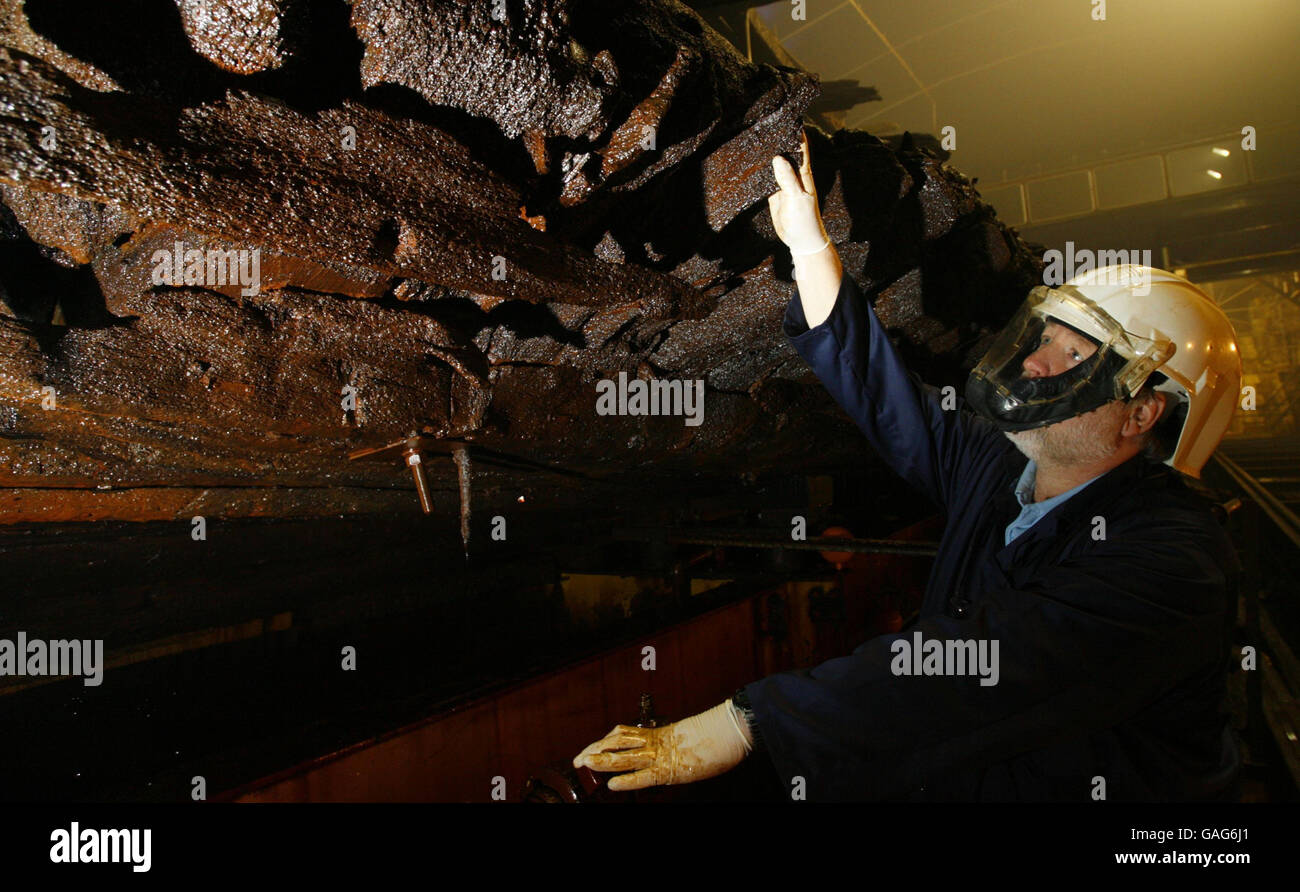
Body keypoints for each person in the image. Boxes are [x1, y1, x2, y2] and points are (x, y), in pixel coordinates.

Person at [573, 130, 1245, 801]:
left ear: (1143, 413)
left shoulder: (1175, 561)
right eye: (1046, 340)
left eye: (1076, 359)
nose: (1037, 364)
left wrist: (749, 722)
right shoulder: (1000, 468)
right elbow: (889, 401)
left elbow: (982, 668)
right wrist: (811, 252)